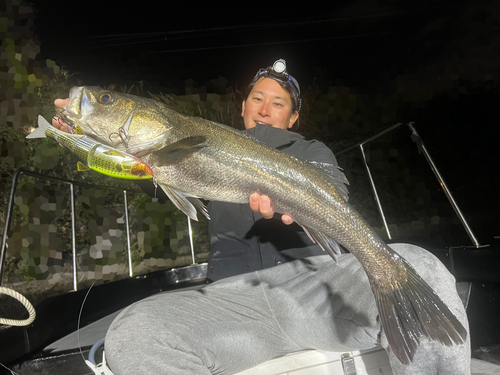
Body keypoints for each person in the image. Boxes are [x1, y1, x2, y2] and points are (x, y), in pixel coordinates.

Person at [53, 59, 470, 374]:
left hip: (315, 289)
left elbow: (336, 198)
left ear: (292, 117)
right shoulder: (172, 152)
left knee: (417, 264)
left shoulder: (310, 152)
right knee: (131, 332)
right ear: (243, 108)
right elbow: (131, 163)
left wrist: (295, 211)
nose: (265, 108)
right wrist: (82, 135)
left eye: (278, 102)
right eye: (257, 98)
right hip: (235, 301)